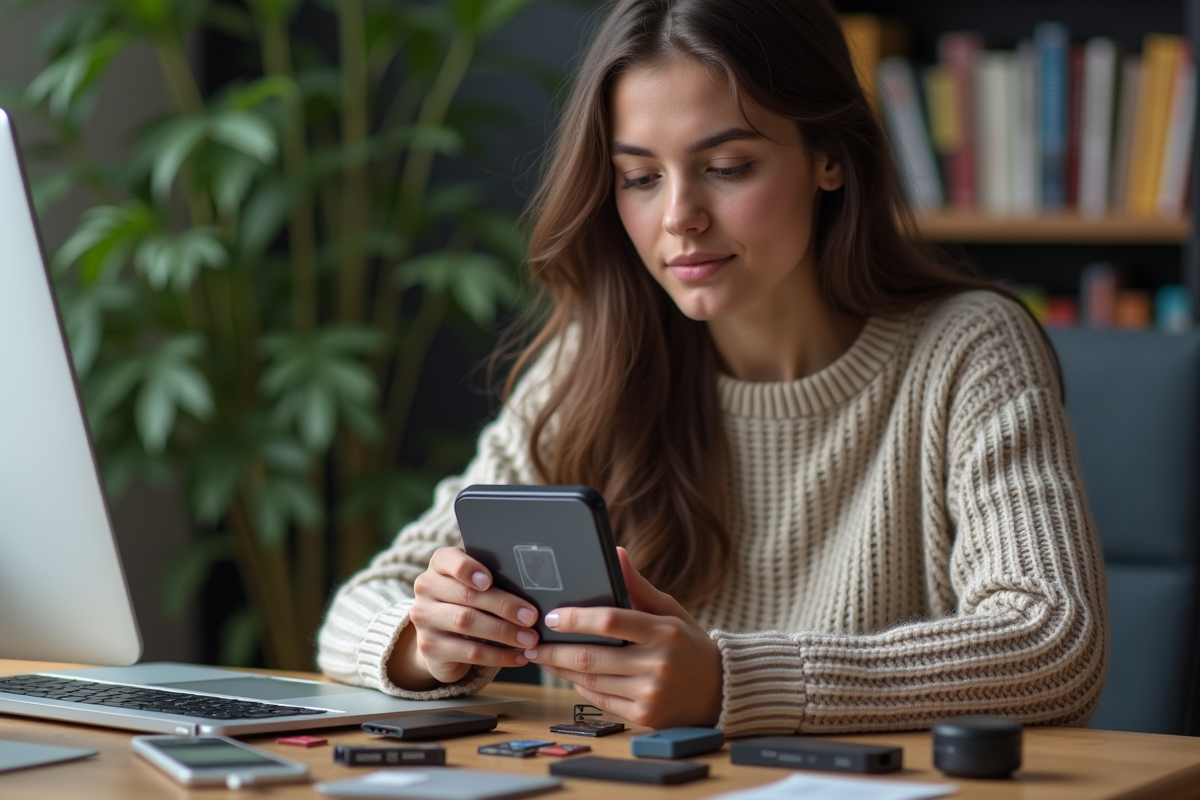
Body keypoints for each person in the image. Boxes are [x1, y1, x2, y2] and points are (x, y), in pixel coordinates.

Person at [318, 0, 1107, 736]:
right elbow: (359, 607)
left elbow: (1052, 643)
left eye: (727, 166)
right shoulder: (591, 360)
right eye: (639, 177)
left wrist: (733, 684)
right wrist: (428, 643)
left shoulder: (967, 350)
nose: (678, 218)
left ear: (829, 156)